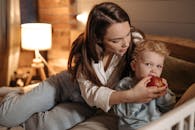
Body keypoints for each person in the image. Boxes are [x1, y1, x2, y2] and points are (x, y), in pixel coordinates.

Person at [0, 2, 194, 130]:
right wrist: (132, 95)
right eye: (117, 40)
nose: (126, 43)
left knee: (47, 126)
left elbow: (153, 60)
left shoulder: (134, 43)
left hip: (89, 104)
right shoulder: (84, 54)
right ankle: (14, 94)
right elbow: (92, 92)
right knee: (7, 117)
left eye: (128, 33)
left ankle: (27, 98)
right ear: (98, 39)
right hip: (67, 85)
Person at [113, 40, 176, 130]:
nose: (154, 70)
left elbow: (169, 107)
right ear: (134, 66)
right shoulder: (125, 85)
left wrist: (163, 94)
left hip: (158, 124)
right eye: (148, 64)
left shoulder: (159, 85)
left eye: (158, 66)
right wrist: (137, 98)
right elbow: (122, 113)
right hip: (134, 127)